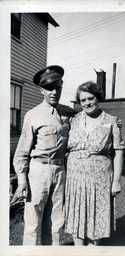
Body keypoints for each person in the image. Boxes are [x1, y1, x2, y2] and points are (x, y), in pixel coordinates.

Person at [11, 65, 76, 245]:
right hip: (38, 172)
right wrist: (22, 180)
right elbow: (22, 152)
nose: (54, 92)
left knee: (56, 223)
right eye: (49, 88)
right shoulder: (33, 115)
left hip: (60, 171)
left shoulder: (68, 113)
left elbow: (89, 117)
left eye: (58, 87)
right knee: (33, 224)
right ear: (41, 90)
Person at [64, 81, 124, 246]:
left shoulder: (112, 121)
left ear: (98, 98)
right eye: (83, 100)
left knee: (95, 220)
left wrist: (116, 181)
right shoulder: (73, 120)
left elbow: (118, 152)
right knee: (76, 219)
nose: (87, 103)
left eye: (91, 98)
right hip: (75, 179)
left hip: (99, 179)